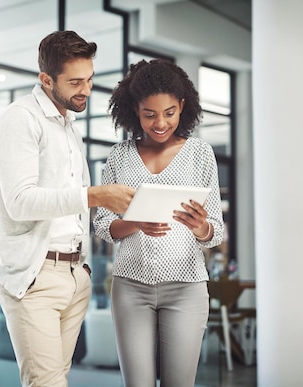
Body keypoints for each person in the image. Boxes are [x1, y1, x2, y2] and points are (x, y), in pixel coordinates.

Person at [0, 30, 135, 387]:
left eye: (90, 79)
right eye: (75, 81)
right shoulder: (20, 119)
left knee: (54, 379)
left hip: (74, 275)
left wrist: (83, 269)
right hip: (35, 275)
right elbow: (20, 201)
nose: (85, 89)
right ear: (46, 80)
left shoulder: (68, 126)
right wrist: (95, 195)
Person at [93, 59, 225, 387]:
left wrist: (199, 227)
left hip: (186, 288)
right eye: (149, 114)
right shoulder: (119, 156)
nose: (160, 123)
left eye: (169, 112)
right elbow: (102, 225)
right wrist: (135, 222)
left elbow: (215, 233)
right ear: (134, 110)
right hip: (130, 287)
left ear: (182, 106)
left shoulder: (200, 153)